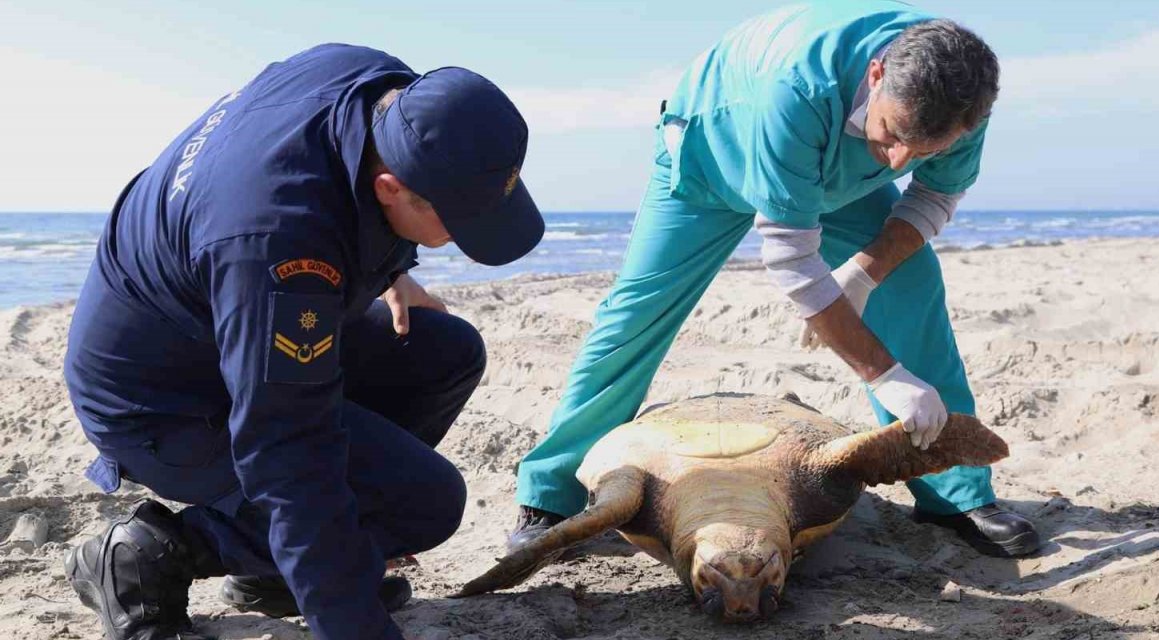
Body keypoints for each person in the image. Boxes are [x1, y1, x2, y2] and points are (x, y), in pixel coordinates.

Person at [511, 1, 1040, 560]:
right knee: (636, 315)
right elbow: (790, 258)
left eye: (925, 149)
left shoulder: (961, 100)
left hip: (831, 177)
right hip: (712, 158)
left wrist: (864, 272)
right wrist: (886, 374)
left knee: (911, 282)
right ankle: (552, 492)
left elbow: (933, 195)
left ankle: (953, 495)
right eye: (892, 133)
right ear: (876, 74)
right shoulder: (796, 86)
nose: (898, 160)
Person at [62, 43, 543, 640]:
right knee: (424, 503)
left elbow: (335, 195)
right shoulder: (278, 244)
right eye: (458, 224)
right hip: (160, 399)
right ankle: (152, 550)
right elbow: (287, 452)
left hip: (220, 315)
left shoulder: (369, 84)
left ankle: (272, 570)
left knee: (442, 353)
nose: (464, 238)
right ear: (391, 188)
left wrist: (389, 266)